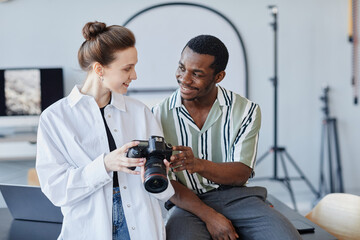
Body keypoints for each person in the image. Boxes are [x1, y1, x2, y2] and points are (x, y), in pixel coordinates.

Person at [152, 35, 301, 240]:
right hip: (188, 204)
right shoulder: (157, 115)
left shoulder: (246, 111)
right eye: (181, 68)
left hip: (239, 199)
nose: (184, 79)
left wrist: (197, 164)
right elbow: (168, 184)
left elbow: (241, 173)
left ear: (219, 76)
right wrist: (210, 216)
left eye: (197, 74)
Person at [36, 21, 174, 240]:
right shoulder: (55, 118)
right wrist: (105, 164)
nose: (135, 75)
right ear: (99, 69)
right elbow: (56, 190)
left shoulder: (140, 112)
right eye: (127, 68)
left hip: (140, 222)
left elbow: (163, 185)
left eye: (134, 66)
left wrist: (161, 171)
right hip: (89, 227)